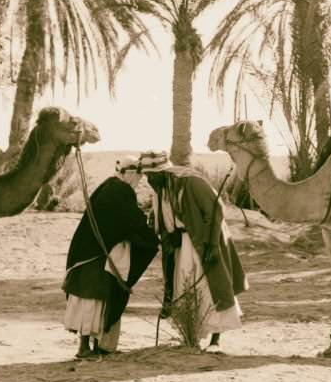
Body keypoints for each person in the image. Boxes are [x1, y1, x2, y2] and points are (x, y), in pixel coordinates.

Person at [142, 151, 247, 352]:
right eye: (147, 175)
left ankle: (216, 340)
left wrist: (212, 245)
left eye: (152, 175)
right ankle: (192, 337)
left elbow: (216, 211)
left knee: (210, 287)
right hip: (181, 246)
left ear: (164, 172)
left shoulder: (190, 182)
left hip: (203, 241)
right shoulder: (161, 189)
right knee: (184, 287)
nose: (149, 180)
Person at [63, 156, 159, 358]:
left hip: (91, 252)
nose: (139, 179)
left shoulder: (109, 186)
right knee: (94, 300)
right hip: (97, 257)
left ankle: (98, 347)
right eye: (138, 175)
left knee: (97, 300)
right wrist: (151, 236)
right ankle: (85, 348)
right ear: (129, 173)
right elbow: (130, 220)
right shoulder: (120, 190)